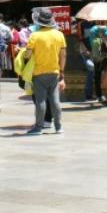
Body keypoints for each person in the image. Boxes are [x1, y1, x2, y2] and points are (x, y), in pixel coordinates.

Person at [24, 8, 66, 136]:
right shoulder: (59, 35)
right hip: (54, 71)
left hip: (39, 72)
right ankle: (58, 127)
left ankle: (38, 127)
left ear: (39, 22)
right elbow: (63, 55)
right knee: (55, 100)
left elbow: (27, 55)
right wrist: (62, 71)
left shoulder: (35, 36)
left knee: (40, 101)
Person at [87, 21, 107, 102]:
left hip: (96, 56)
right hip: (105, 56)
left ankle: (99, 95)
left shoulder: (92, 30)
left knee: (97, 75)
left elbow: (89, 42)